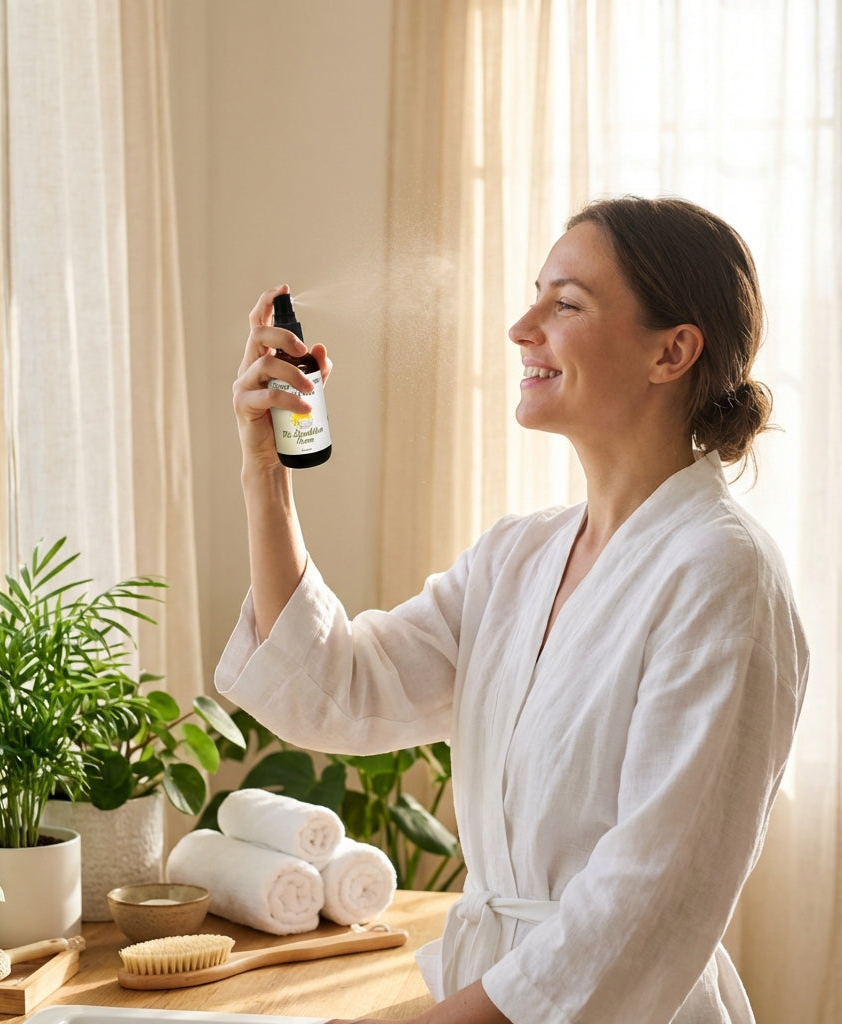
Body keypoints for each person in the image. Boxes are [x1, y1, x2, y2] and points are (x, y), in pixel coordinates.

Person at [219, 195, 809, 1024]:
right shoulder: (518, 558)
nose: (522, 327)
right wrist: (264, 473)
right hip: (490, 997)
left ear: (671, 351)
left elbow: (647, 902)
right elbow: (337, 689)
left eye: (565, 303)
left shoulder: (722, 574)